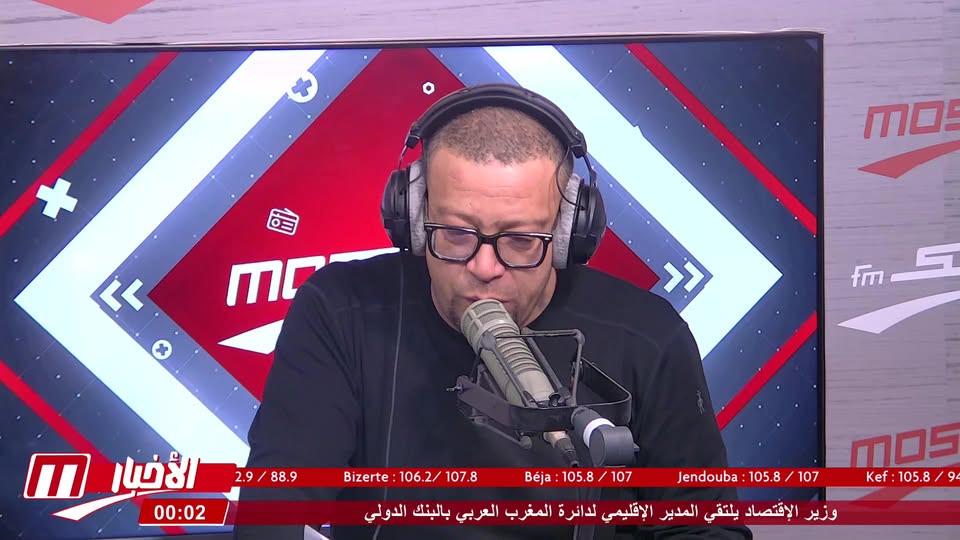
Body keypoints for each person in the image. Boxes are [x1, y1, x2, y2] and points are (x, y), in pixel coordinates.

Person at [234, 83, 751, 540]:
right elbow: (276, 510)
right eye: (456, 234)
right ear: (414, 218)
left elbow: (704, 528)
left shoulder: (648, 336)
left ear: (568, 233)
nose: (484, 267)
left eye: (521, 240)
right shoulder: (341, 309)